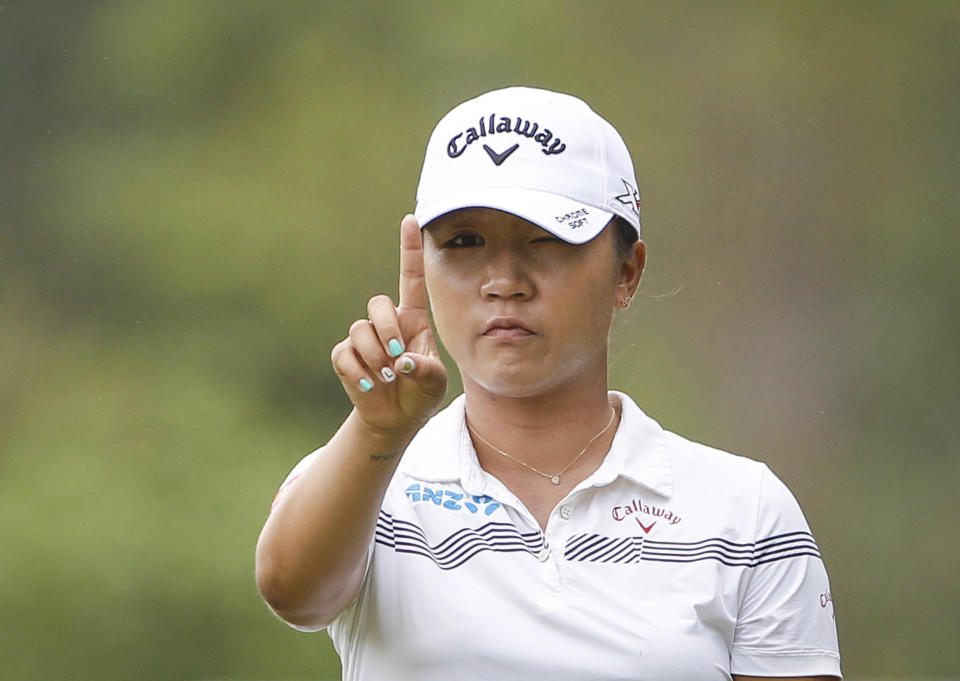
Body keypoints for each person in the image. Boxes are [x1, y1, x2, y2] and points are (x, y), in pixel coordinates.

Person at [255, 86, 842, 680]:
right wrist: (380, 429)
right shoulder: (367, 479)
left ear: (627, 273)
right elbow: (294, 595)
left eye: (548, 239)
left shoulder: (744, 511)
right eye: (464, 243)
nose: (504, 281)